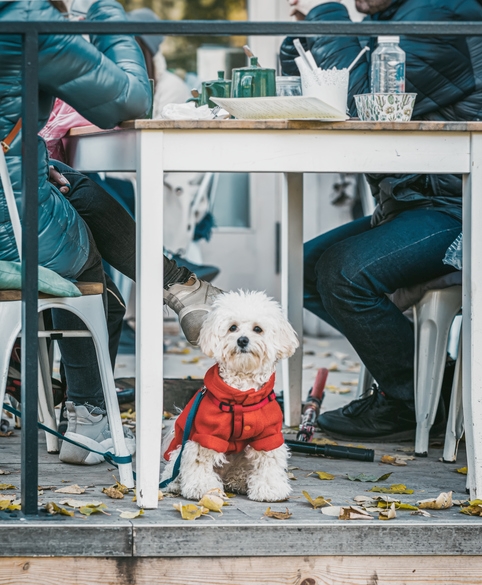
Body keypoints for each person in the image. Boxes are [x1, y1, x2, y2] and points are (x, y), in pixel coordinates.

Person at [0, 0, 220, 465]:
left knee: (70, 184)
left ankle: (181, 286)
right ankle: (89, 417)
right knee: (89, 268)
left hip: (13, 195)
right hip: (9, 227)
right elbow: (130, 100)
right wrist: (109, 15)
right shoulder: (24, 16)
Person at [280, 0, 482, 441]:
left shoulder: (444, 12)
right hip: (415, 203)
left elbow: (356, 100)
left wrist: (325, 14)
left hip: (461, 209)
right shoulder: (388, 20)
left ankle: (410, 402)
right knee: (306, 270)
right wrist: (306, 28)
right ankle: (430, 383)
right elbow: (307, 87)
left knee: (343, 272)